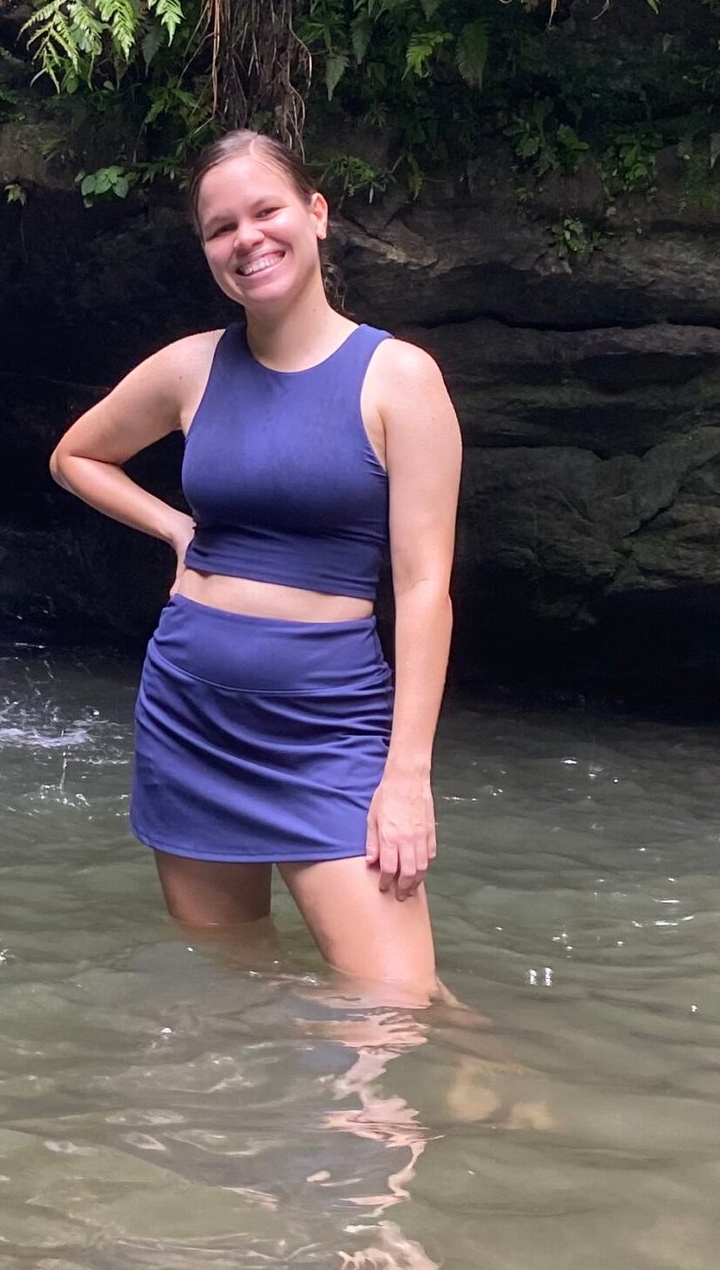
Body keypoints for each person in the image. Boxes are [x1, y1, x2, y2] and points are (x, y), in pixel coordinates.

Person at [49, 129, 461, 1000]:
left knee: (397, 1006)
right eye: (220, 227)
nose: (247, 239)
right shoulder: (191, 367)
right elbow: (77, 455)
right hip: (190, 713)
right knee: (227, 990)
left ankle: (506, 1105)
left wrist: (406, 776)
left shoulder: (398, 378)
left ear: (317, 214)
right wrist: (173, 528)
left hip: (328, 725)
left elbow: (425, 589)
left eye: (266, 210)